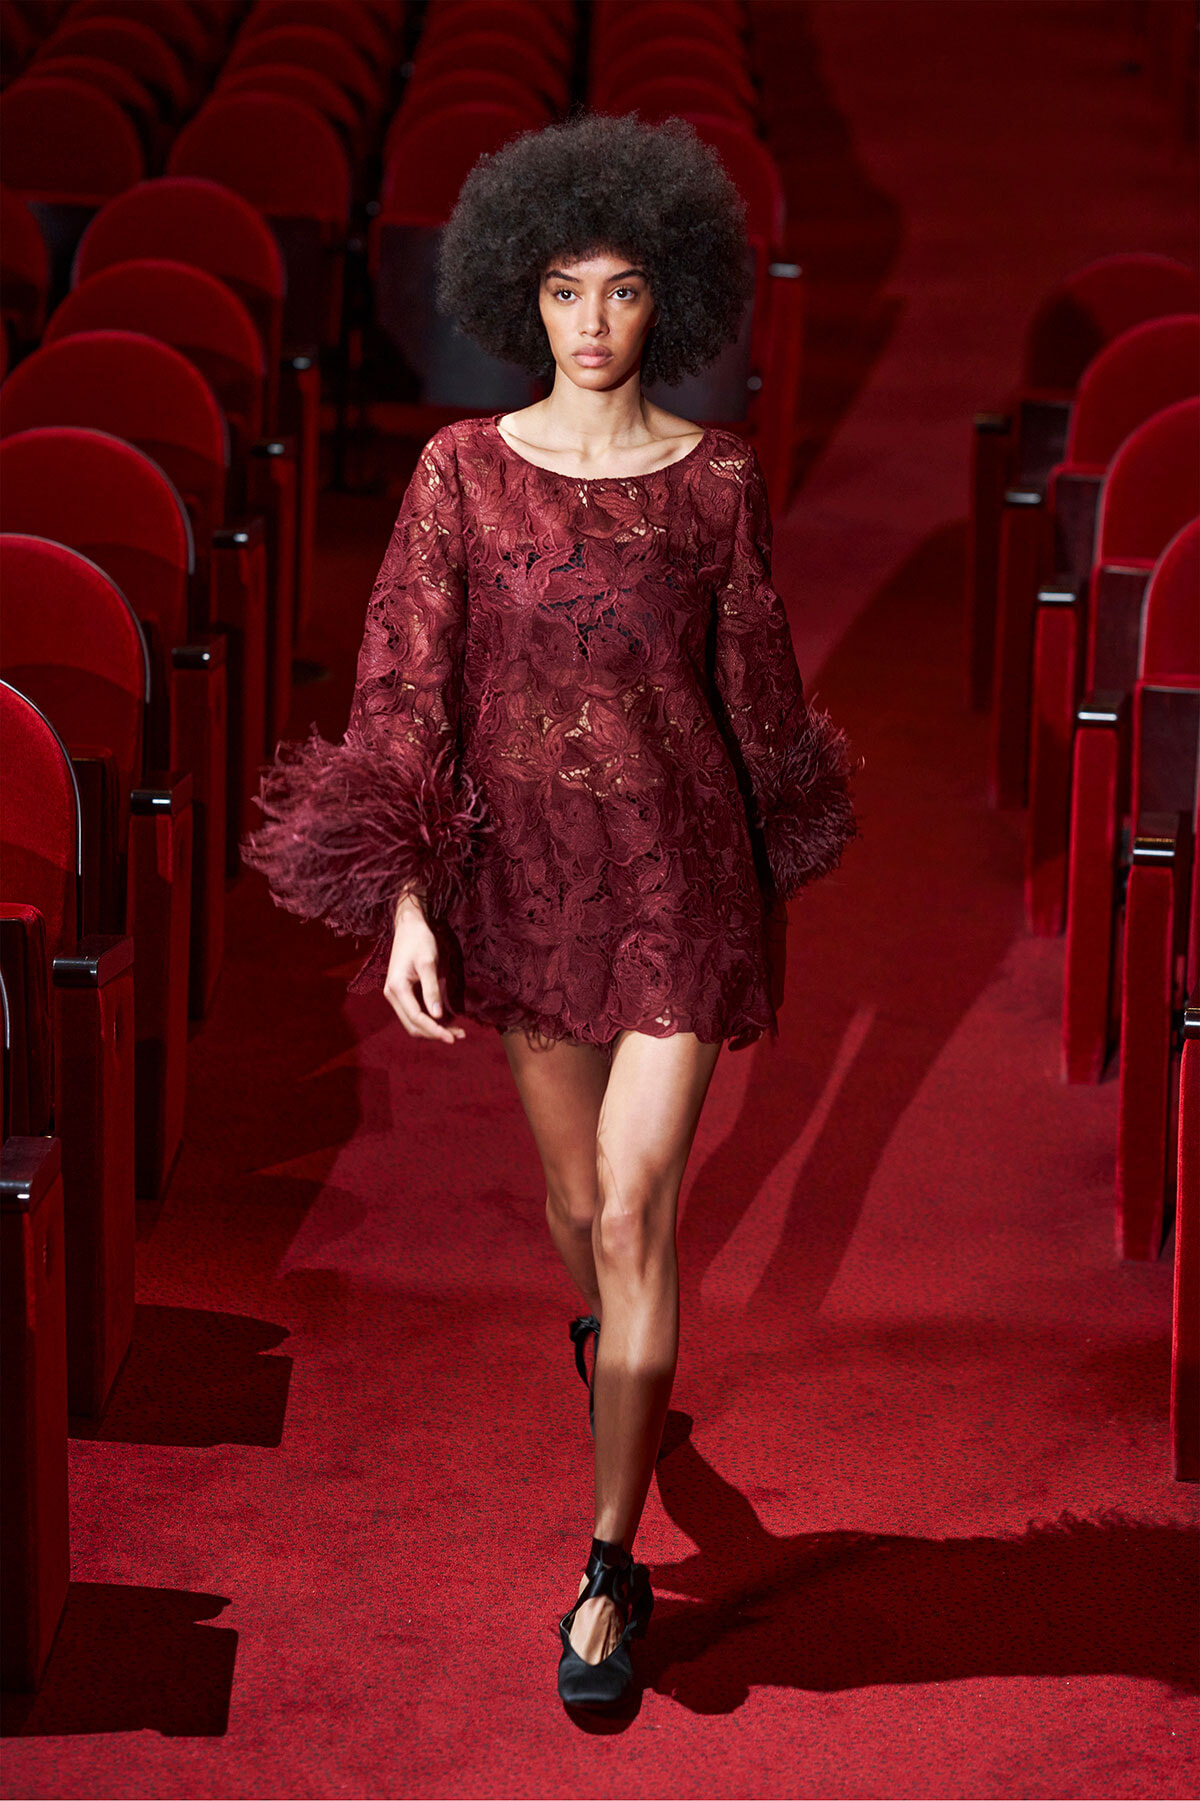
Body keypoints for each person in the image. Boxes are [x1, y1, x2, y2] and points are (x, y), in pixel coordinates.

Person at [241, 112, 861, 1713]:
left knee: (639, 1198)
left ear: (676, 302)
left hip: (681, 880)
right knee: (581, 1205)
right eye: (569, 289)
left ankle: (606, 1564)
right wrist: (400, 897)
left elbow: (761, 701)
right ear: (525, 293)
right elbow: (400, 694)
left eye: (626, 289)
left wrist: (781, 847)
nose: (594, 322)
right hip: (518, 882)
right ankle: (611, 1342)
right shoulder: (458, 474)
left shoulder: (719, 483)